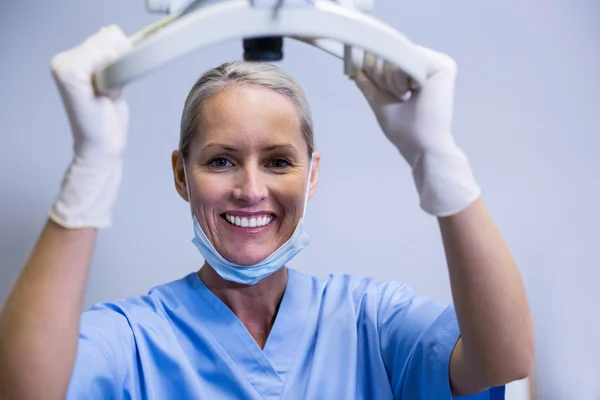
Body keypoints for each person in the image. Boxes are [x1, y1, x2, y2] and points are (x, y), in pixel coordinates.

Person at [0, 25, 535, 399]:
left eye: (278, 161)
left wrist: (437, 158)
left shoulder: (370, 321)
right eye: (221, 161)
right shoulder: (134, 340)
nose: (250, 189)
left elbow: (505, 358)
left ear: (312, 174)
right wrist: (91, 167)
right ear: (182, 175)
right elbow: (22, 390)